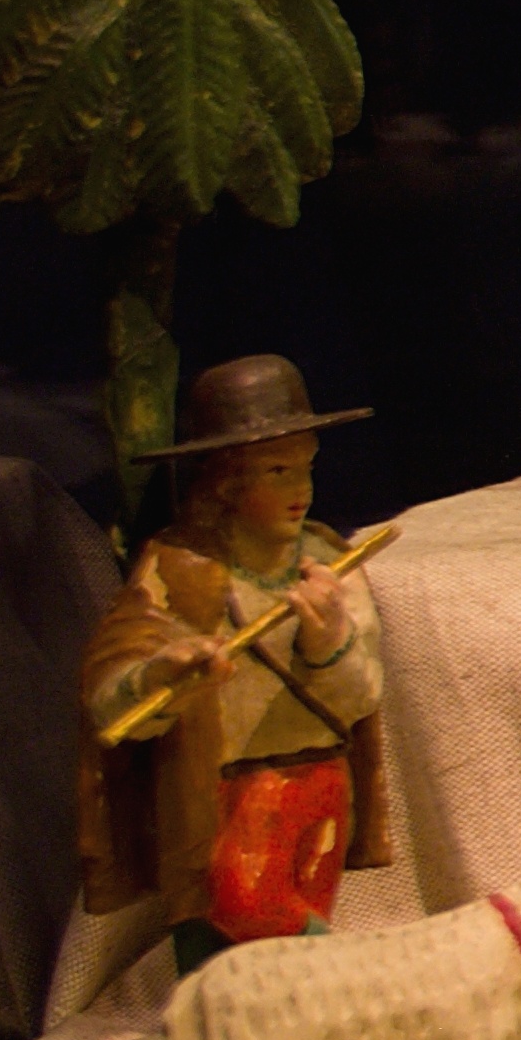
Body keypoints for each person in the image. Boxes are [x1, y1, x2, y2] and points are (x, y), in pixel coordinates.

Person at [73, 356, 389, 985]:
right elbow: (112, 690)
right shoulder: (178, 567)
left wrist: (328, 641)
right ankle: (319, 992)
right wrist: (162, 675)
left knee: (289, 928)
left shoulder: (329, 560)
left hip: (320, 783)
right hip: (220, 793)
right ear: (224, 482)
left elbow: (362, 696)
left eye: (306, 467)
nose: (301, 489)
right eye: (277, 471)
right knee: (242, 917)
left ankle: (294, 1035)